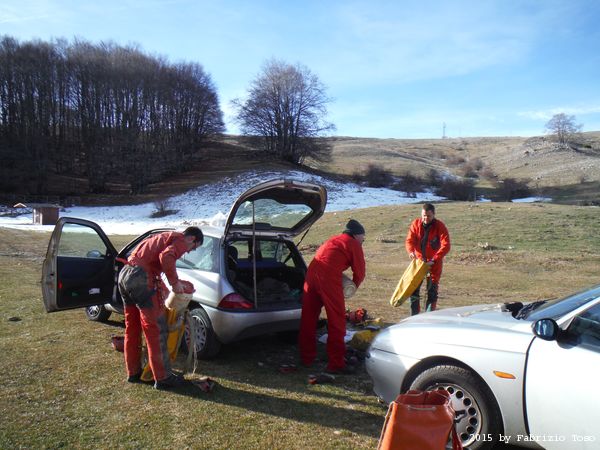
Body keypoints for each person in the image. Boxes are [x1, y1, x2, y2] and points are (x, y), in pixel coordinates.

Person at [118, 226, 203, 389]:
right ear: (192, 239)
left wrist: (165, 289)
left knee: (132, 327)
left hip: (126, 274)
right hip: (141, 278)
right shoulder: (180, 239)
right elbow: (166, 256)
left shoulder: (162, 237)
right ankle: (163, 378)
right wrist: (175, 283)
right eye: (193, 248)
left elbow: (149, 265)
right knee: (156, 329)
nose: (188, 251)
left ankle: (133, 372)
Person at [299, 219, 366, 374]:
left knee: (308, 317)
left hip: (311, 274)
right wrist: (352, 288)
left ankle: (306, 357)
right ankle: (336, 363)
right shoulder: (353, 243)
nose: (363, 241)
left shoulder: (334, 240)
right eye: (363, 238)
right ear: (356, 235)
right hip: (327, 277)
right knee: (337, 320)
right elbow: (360, 272)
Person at [405, 203, 450, 315]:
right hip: (419, 263)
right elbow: (409, 240)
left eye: (428, 216)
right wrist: (411, 251)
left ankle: (429, 317)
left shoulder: (440, 226)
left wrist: (434, 259)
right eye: (424, 215)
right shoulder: (416, 224)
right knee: (413, 290)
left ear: (434, 215)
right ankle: (414, 316)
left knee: (432, 292)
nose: (425, 218)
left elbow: (446, 245)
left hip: (434, 264)